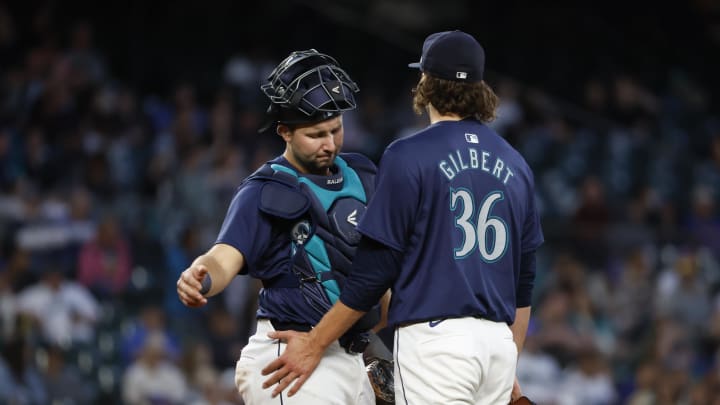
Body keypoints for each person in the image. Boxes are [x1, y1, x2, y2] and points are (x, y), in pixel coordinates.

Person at [261, 30, 544, 405]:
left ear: (425, 83)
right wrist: (508, 364)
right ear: (479, 87)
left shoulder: (409, 155)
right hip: (497, 346)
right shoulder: (516, 163)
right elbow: (523, 284)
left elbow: (374, 273)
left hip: (438, 344)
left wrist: (314, 343)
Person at [176, 49, 385, 404]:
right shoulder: (264, 189)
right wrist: (201, 274)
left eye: (336, 129)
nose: (330, 144)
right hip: (290, 358)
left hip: (353, 357)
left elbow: (383, 266)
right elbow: (225, 256)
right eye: (316, 134)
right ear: (284, 131)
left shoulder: (363, 174)